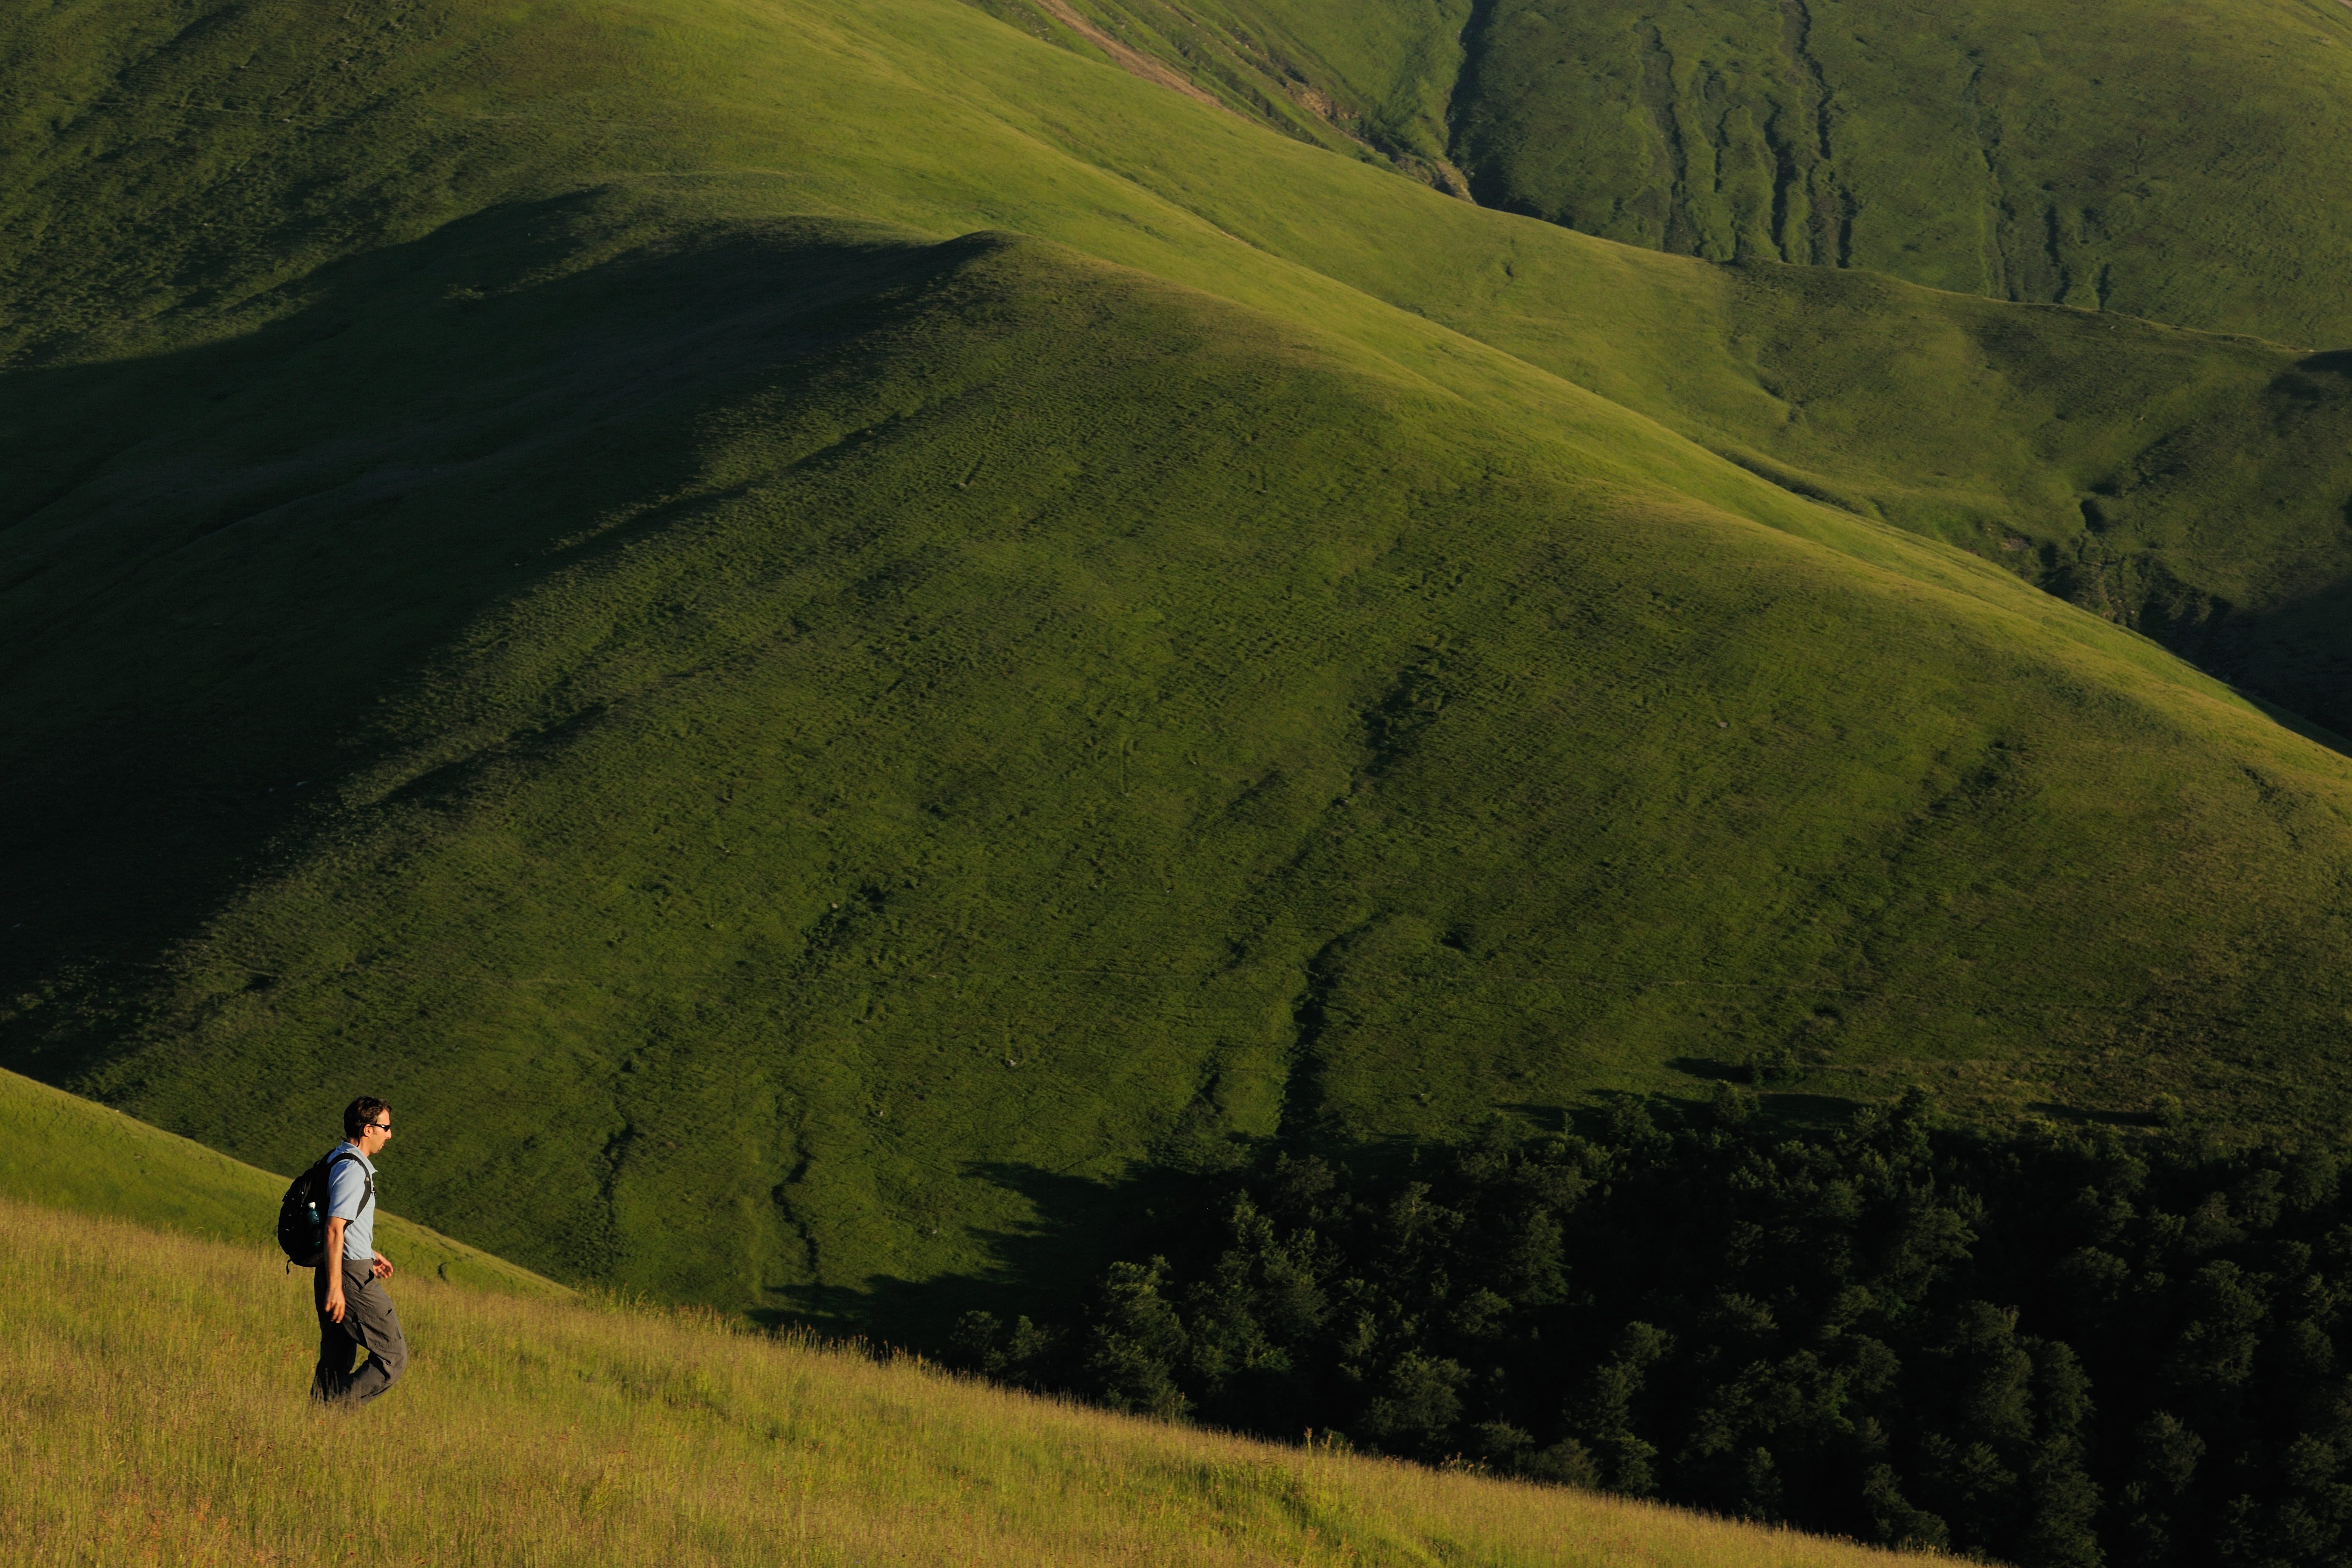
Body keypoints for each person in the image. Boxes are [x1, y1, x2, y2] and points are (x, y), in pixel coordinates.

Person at [311, 1096, 408, 1407]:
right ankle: (331, 1413)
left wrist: (369, 1252)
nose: (389, 1135)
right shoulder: (353, 1171)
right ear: (368, 1129)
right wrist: (337, 1287)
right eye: (385, 1128)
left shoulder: (336, 1158)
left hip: (338, 1267)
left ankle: (314, 1421)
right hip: (348, 1277)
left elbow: (339, 1224)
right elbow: (333, 1228)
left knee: (337, 1356)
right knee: (392, 1357)